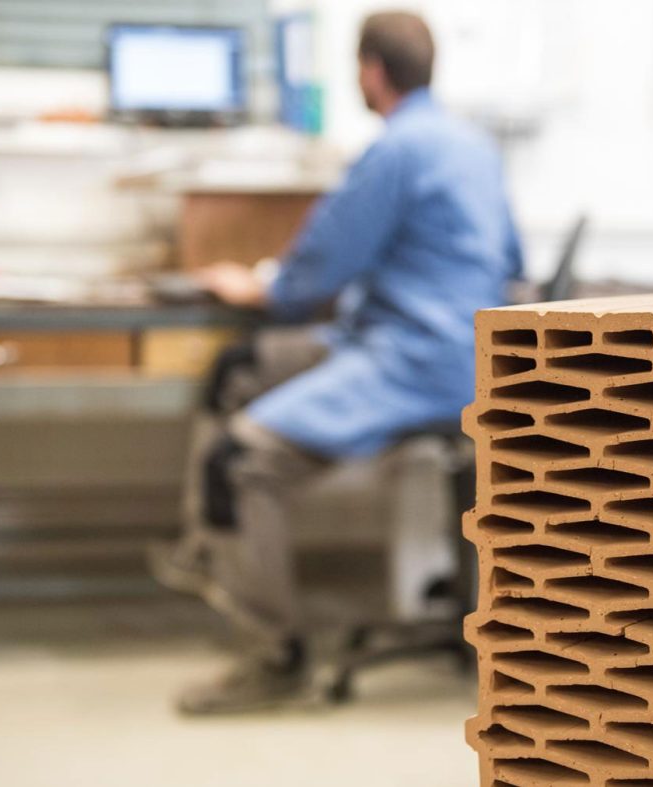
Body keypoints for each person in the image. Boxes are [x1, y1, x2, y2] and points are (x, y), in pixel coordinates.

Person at [149, 10, 522, 714]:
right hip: (456, 350)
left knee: (237, 459)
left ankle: (275, 658)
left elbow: (319, 267)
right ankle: (213, 545)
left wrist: (263, 287)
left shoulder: (395, 150)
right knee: (240, 367)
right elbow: (513, 262)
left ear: (371, 72)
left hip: (414, 360)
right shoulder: (474, 145)